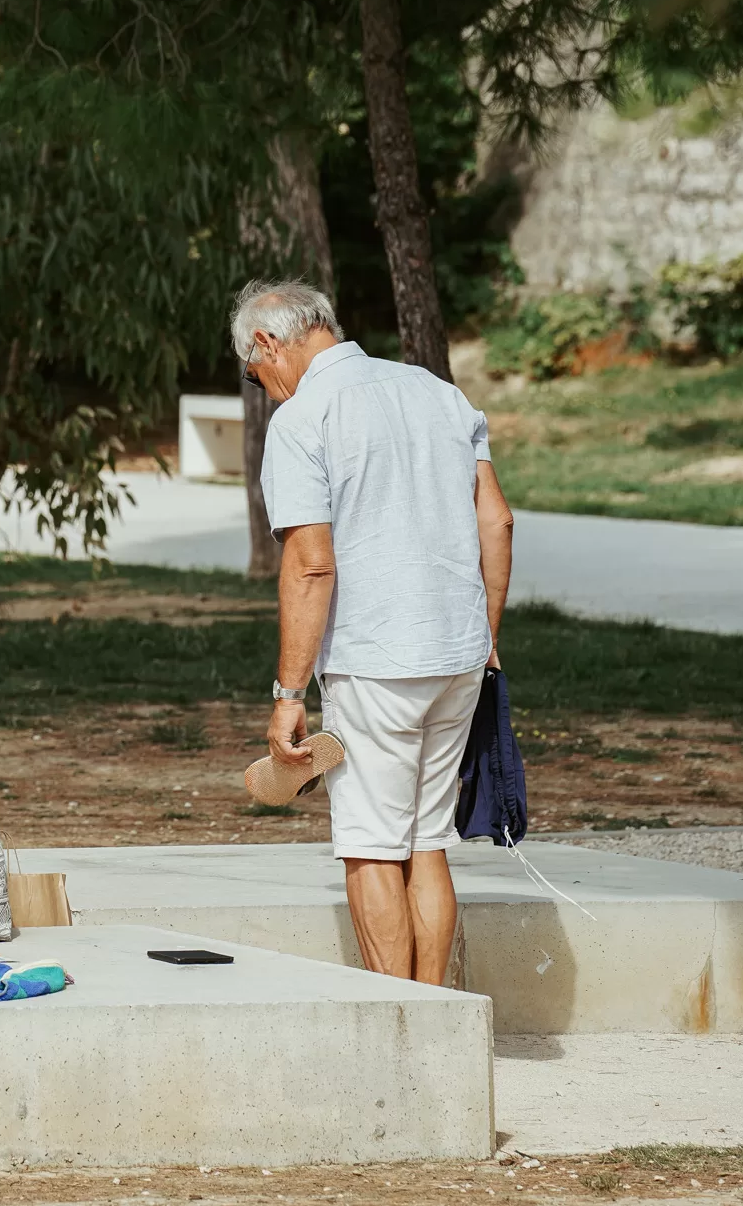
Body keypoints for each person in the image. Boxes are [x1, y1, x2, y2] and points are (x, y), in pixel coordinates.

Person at [237, 279, 514, 986]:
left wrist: (288, 694)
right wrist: (484, 636)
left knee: (370, 845)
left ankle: (399, 1020)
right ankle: (437, 1013)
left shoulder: (304, 419)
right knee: (427, 841)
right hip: (458, 654)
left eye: (254, 373)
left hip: (375, 660)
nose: (263, 388)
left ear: (268, 342)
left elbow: (310, 565)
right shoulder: (438, 393)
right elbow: (498, 520)